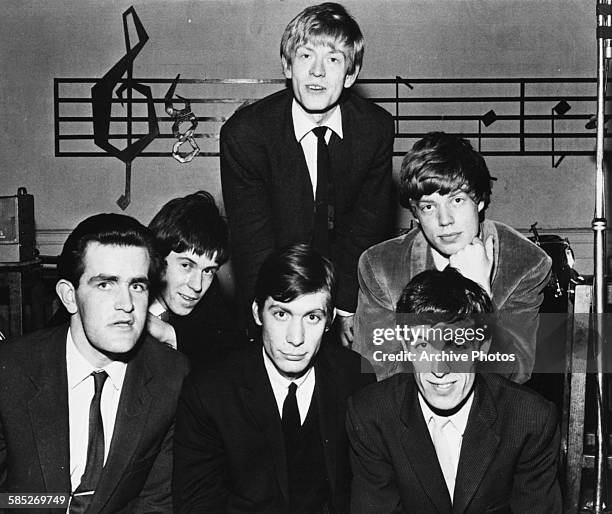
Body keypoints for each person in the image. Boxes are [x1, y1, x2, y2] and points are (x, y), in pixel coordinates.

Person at [220, 2, 394, 345]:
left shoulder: (376, 129)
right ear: (287, 65)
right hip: (273, 294)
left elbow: (366, 226)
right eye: (305, 56)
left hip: (344, 296)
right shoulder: (246, 134)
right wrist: (281, 321)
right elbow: (253, 243)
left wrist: (345, 310)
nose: (317, 72)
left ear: (351, 74)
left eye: (333, 59)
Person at [0, 214, 189, 513]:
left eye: (137, 286)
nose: (126, 304)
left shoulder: (172, 377)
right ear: (69, 297)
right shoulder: (10, 369)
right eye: (105, 284)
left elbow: (157, 503)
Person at [173, 243, 375, 513]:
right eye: (281, 314)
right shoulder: (209, 391)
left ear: (330, 321)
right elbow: (197, 505)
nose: (296, 338)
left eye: (312, 317)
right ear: (257, 312)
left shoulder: (355, 377)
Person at [347, 268, 562, 513]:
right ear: (405, 346)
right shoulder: (371, 415)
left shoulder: (530, 419)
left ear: (482, 347)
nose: (439, 369)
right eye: (423, 345)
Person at [354, 131, 552, 382]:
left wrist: (480, 293)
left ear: (479, 200)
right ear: (414, 213)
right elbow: (378, 371)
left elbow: (514, 373)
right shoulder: (380, 265)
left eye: (457, 200)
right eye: (429, 206)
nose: (444, 220)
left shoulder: (525, 263)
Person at [147, 190, 247, 366]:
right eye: (186, 265)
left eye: (208, 271)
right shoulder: (125, 296)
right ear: (157, 258)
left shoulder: (212, 299)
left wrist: (169, 334)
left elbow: (234, 349)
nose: (197, 285)